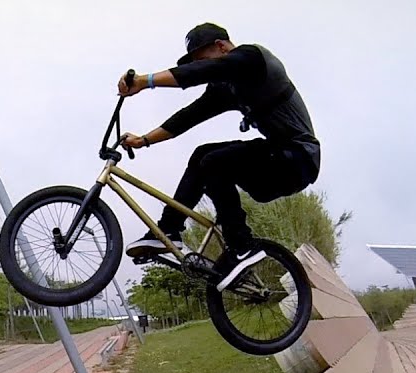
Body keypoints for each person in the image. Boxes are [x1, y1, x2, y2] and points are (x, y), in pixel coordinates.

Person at [116, 22, 321, 290]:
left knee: (216, 161)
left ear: (221, 46)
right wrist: (143, 140)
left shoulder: (253, 58)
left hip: (297, 158)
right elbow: (188, 117)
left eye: (201, 59)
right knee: (203, 154)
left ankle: (242, 246)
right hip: (275, 163)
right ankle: (169, 230)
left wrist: (146, 81)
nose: (204, 72)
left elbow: (208, 70)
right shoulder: (227, 89)